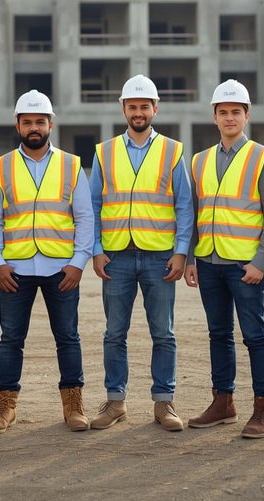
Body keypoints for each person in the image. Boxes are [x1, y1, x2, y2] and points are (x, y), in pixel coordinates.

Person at [0, 90, 92, 434]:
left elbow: (85, 217)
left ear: (50, 124)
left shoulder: (72, 165)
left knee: (68, 337)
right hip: (15, 269)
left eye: (40, 122)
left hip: (61, 268)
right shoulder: (2, 166)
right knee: (11, 338)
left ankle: (73, 407)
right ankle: (5, 409)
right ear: (17, 125)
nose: (34, 127)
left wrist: (78, 262)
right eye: (27, 122)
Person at [89, 74, 194, 432]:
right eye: (132, 106)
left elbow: (184, 206)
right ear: (123, 109)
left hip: (159, 257)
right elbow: (93, 204)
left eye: (144, 106)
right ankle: (115, 402)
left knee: (163, 333)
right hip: (116, 257)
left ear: (155, 109)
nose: (138, 112)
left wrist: (181, 252)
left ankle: (164, 403)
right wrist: (97, 250)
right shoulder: (104, 152)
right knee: (114, 333)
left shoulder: (172, 150)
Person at [183, 80, 264, 438]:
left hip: (245, 267)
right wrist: (193, 256)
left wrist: (261, 261)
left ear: (246, 115)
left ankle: (263, 408)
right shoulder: (200, 160)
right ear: (214, 116)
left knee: (255, 336)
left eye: (235, 112)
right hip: (208, 262)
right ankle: (223, 402)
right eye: (223, 112)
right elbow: (195, 211)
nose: (229, 118)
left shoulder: (262, 156)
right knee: (218, 334)